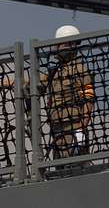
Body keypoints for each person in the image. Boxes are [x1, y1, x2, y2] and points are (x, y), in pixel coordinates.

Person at [40, 25, 95, 159]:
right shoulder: (54, 71)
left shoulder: (79, 69)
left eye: (60, 44)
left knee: (75, 165)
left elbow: (88, 99)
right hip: (56, 129)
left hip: (72, 127)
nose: (57, 48)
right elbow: (35, 85)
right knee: (59, 166)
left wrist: (81, 129)